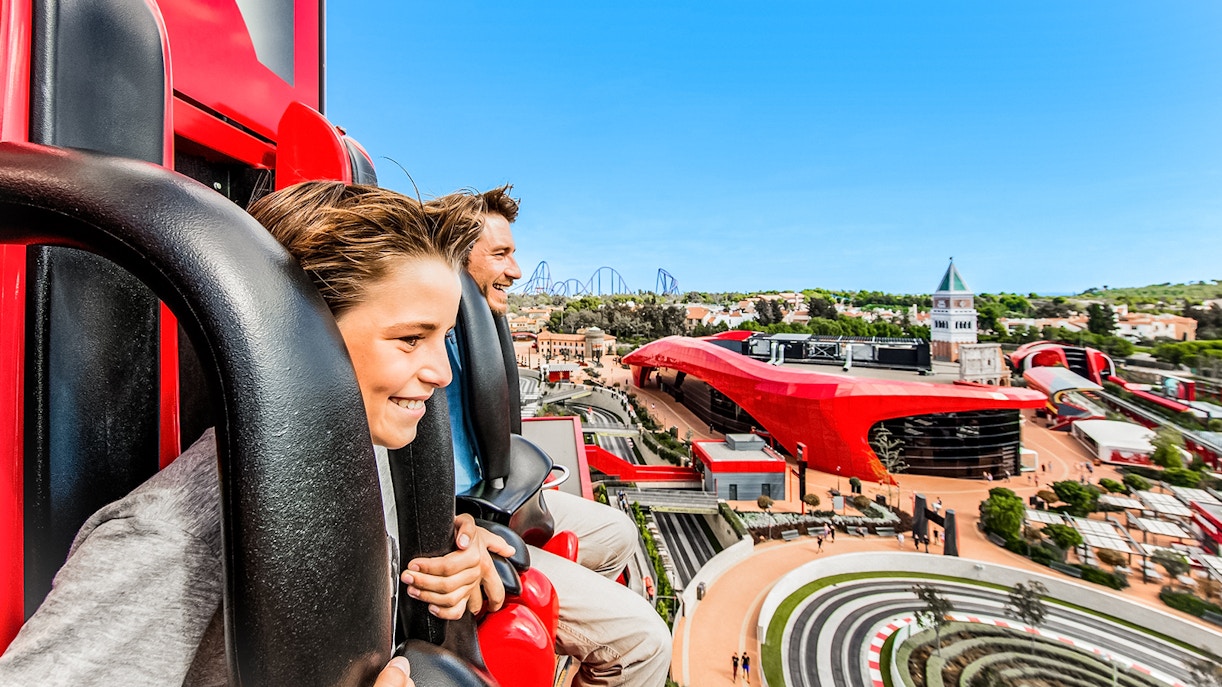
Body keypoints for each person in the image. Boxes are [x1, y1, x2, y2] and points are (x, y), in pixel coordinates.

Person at [0, 183, 491, 685]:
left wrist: (453, 557)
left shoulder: (367, 458)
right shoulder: (177, 535)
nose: (442, 373)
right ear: (302, 338)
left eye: (443, 339)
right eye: (410, 339)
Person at [447, 185, 670, 685]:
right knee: (646, 643)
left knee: (619, 533)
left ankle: (567, 640)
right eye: (501, 254)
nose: (517, 271)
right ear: (457, 258)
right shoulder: (430, 340)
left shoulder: (474, 327)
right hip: (466, 517)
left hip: (493, 497)